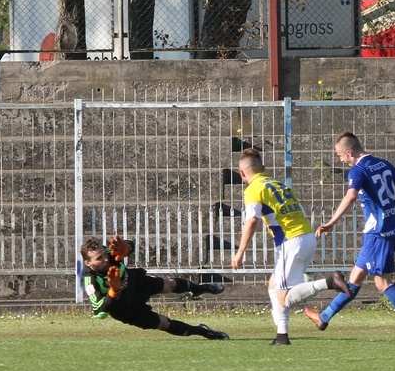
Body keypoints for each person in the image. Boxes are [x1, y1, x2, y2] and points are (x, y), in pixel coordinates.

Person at [304, 132, 395, 342]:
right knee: (355, 279)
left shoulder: (358, 170)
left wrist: (331, 222)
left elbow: (351, 195)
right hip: (389, 229)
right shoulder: (383, 164)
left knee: (382, 282)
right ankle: (324, 317)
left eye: (340, 156)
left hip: (378, 233)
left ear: (350, 152)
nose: (340, 160)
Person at [230, 148, 350, 346]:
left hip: (290, 241)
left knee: (284, 297)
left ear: (242, 173)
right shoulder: (278, 184)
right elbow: (299, 210)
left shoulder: (253, 189)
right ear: (264, 168)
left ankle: (329, 282)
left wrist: (239, 253)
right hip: (305, 236)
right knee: (274, 285)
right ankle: (282, 336)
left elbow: (251, 221)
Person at [80, 235, 229, 340]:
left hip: (135, 284)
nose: (105, 258)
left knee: (170, 284)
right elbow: (99, 312)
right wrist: (113, 291)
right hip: (125, 308)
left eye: (104, 254)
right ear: (88, 263)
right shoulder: (90, 280)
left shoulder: (106, 253)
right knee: (164, 323)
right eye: (99, 258)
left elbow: (128, 244)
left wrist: (127, 247)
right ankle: (202, 331)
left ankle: (200, 289)